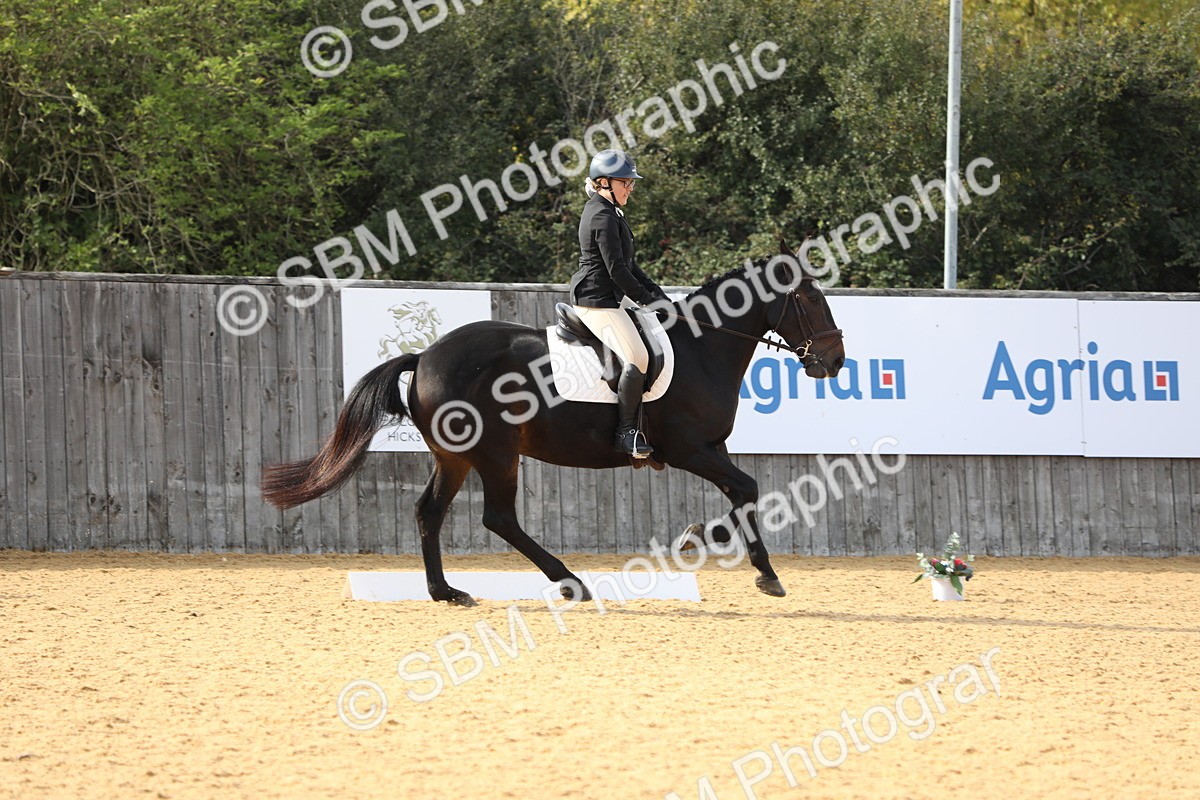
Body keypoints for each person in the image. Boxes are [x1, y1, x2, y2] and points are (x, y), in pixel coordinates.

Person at [569, 149, 670, 458]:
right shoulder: (601, 215)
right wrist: (647, 300)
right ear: (604, 182)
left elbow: (630, 265)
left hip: (608, 298)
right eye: (625, 182)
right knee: (637, 357)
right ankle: (626, 432)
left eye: (630, 182)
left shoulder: (611, 212)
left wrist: (658, 296)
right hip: (596, 301)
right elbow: (617, 271)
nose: (630, 188)